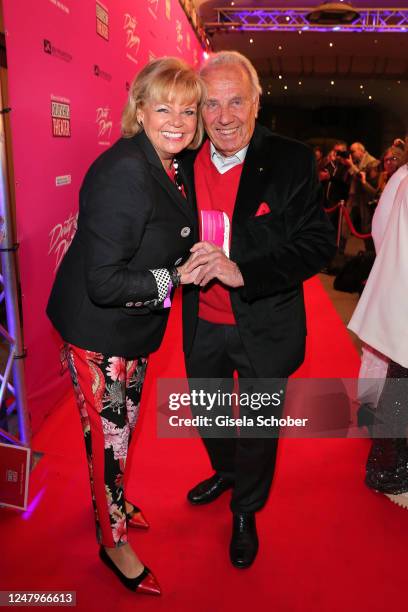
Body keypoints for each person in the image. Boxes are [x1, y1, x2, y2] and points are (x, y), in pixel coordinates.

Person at [46, 57, 204, 595]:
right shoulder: (124, 174)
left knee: (114, 433)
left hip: (127, 331)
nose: (178, 121)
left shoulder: (167, 160)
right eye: (163, 108)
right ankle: (112, 540)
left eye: (188, 109)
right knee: (111, 439)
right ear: (139, 110)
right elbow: (106, 284)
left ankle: (109, 500)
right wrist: (175, 278)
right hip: (100, 331)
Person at [179, 51, 336, 568]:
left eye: (236, 102)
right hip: (200, 322)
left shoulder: (291, 160)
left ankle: (246, 508)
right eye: (212, 104)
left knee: (259, 430)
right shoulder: (179, 160)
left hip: (266, 324)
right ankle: (226, 471)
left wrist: (243, 270)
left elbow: (316, 244)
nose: (224, 117)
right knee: (207, 413)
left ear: (256, 102)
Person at [348, 172, 408, 507]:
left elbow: (381, 226)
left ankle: (391, 465)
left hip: (398, 290)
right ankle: (387, 471)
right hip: (403, 298)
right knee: (399, 388)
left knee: (397, 384)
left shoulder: (403, 175)